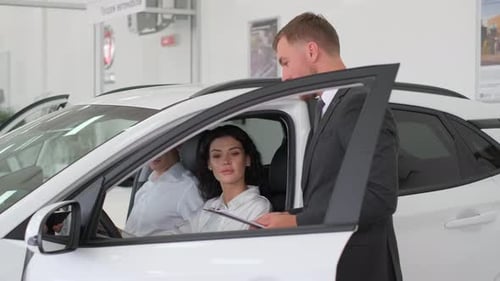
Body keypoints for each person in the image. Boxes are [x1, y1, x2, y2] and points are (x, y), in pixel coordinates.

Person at [255, 12, 402, 281]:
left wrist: (297, 222)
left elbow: (379, 197)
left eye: (285, 63)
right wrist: (289, 216)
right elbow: (330, 192)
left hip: (358, 265)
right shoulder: (327, 106)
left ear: (311, 51)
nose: (284, 77)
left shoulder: (358, 104)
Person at [174, 125, 271, 233]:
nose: (225, 161)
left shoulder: (258, 206)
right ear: (209, 164)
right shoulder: (209, 207)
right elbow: (178, 233)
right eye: (217, 156)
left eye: (234, 153)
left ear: (247, 160)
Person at [124, 149, 203, 236]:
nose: (153, 153)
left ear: (177, 146)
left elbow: (200, 233)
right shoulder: (146, 186)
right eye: (149, 147)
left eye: (157, 146)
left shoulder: (188, 187)